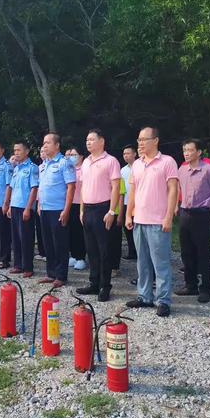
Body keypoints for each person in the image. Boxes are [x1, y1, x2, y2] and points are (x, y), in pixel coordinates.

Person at [125, 126, 178, 317]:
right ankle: (144, 296)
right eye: (138, 139)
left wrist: (168, 216)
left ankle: (163, 300)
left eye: (144, 139)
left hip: (158, 221)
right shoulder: (137, 164)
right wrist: (128, 214)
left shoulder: (167, 162)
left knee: (160, 263)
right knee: (142, 262)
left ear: (155, 140)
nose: (140, 143)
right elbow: (133, 192)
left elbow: (173, 189)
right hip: (139, 219)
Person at [76, 129, 121, 302]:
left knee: (104, 250)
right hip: (87, 209)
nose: (88, 142)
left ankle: (105, 286)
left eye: (92, 139)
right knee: (91, 250)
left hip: (103, 209)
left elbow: (116, 187)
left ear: (101, 141)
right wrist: (81, 210)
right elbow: (83, 188)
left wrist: (112, 211)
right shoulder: (86, 162)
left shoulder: (111, 161)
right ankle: (93, 283)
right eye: (87, 139)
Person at [175, 139, 210, 302]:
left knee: (203, 252)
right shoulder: (181, 169)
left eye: (189, 150)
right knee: (186, 251)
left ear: (199, 152)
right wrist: (176, 206)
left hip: (202, 214)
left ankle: (206, 288)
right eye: (184, 150)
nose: (186, 153)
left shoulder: (208, 169)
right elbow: (178, 190)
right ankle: (190, 285)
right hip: (185, 213)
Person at [38, 133, 76, 288]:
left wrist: (66, 210)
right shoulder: (44, 164)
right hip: (45, 209)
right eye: (44, 143)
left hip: (58, 209)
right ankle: (51, 272)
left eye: (48, 143)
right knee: (48, 242)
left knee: (59, 243)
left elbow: (71, 187)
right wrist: (40, 205)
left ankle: (61, 275)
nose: (45, 146)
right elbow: (42, 187)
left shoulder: (64, 163)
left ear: (57, 145)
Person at [8, 141, 39, 278]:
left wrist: (28, 208)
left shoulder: (32, 168)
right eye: (14, 150)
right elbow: (13, 188)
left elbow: (34, 189)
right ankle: (18, 264)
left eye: (19, 150)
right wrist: (9, 206)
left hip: (25, 208)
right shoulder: (16, 168)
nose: (16, 153)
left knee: (26, 238)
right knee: (16, 238)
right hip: (15, 206)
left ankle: (28, 267)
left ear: (26, 151)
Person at [65, 147, 87, 271]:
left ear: (81, 156)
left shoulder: (84, 169)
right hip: (70, 203)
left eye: (74, 154)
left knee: (80, 232)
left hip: (81, 204)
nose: (71, 157)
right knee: (71, 231)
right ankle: (73, 255)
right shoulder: (70, 169)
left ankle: (81, 257)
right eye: (70, 155)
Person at [121, 145, 137, 260]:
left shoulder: (139, 166)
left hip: (138, 204)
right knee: (127, 229)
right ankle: (132, 252)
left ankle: (140, 251)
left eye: (128, 153)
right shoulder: (123, 170)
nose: (126, 156)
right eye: (124, 154)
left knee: (137, 229)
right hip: (126, 203)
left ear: (134, 154)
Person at [34, 146, 47, 262]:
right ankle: (42, 251)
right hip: (39, 200)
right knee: (40, 227)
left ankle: (48, 253)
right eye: (41, 152)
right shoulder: (40, 167)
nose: (42, 153)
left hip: (51, 203)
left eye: (44, 151)